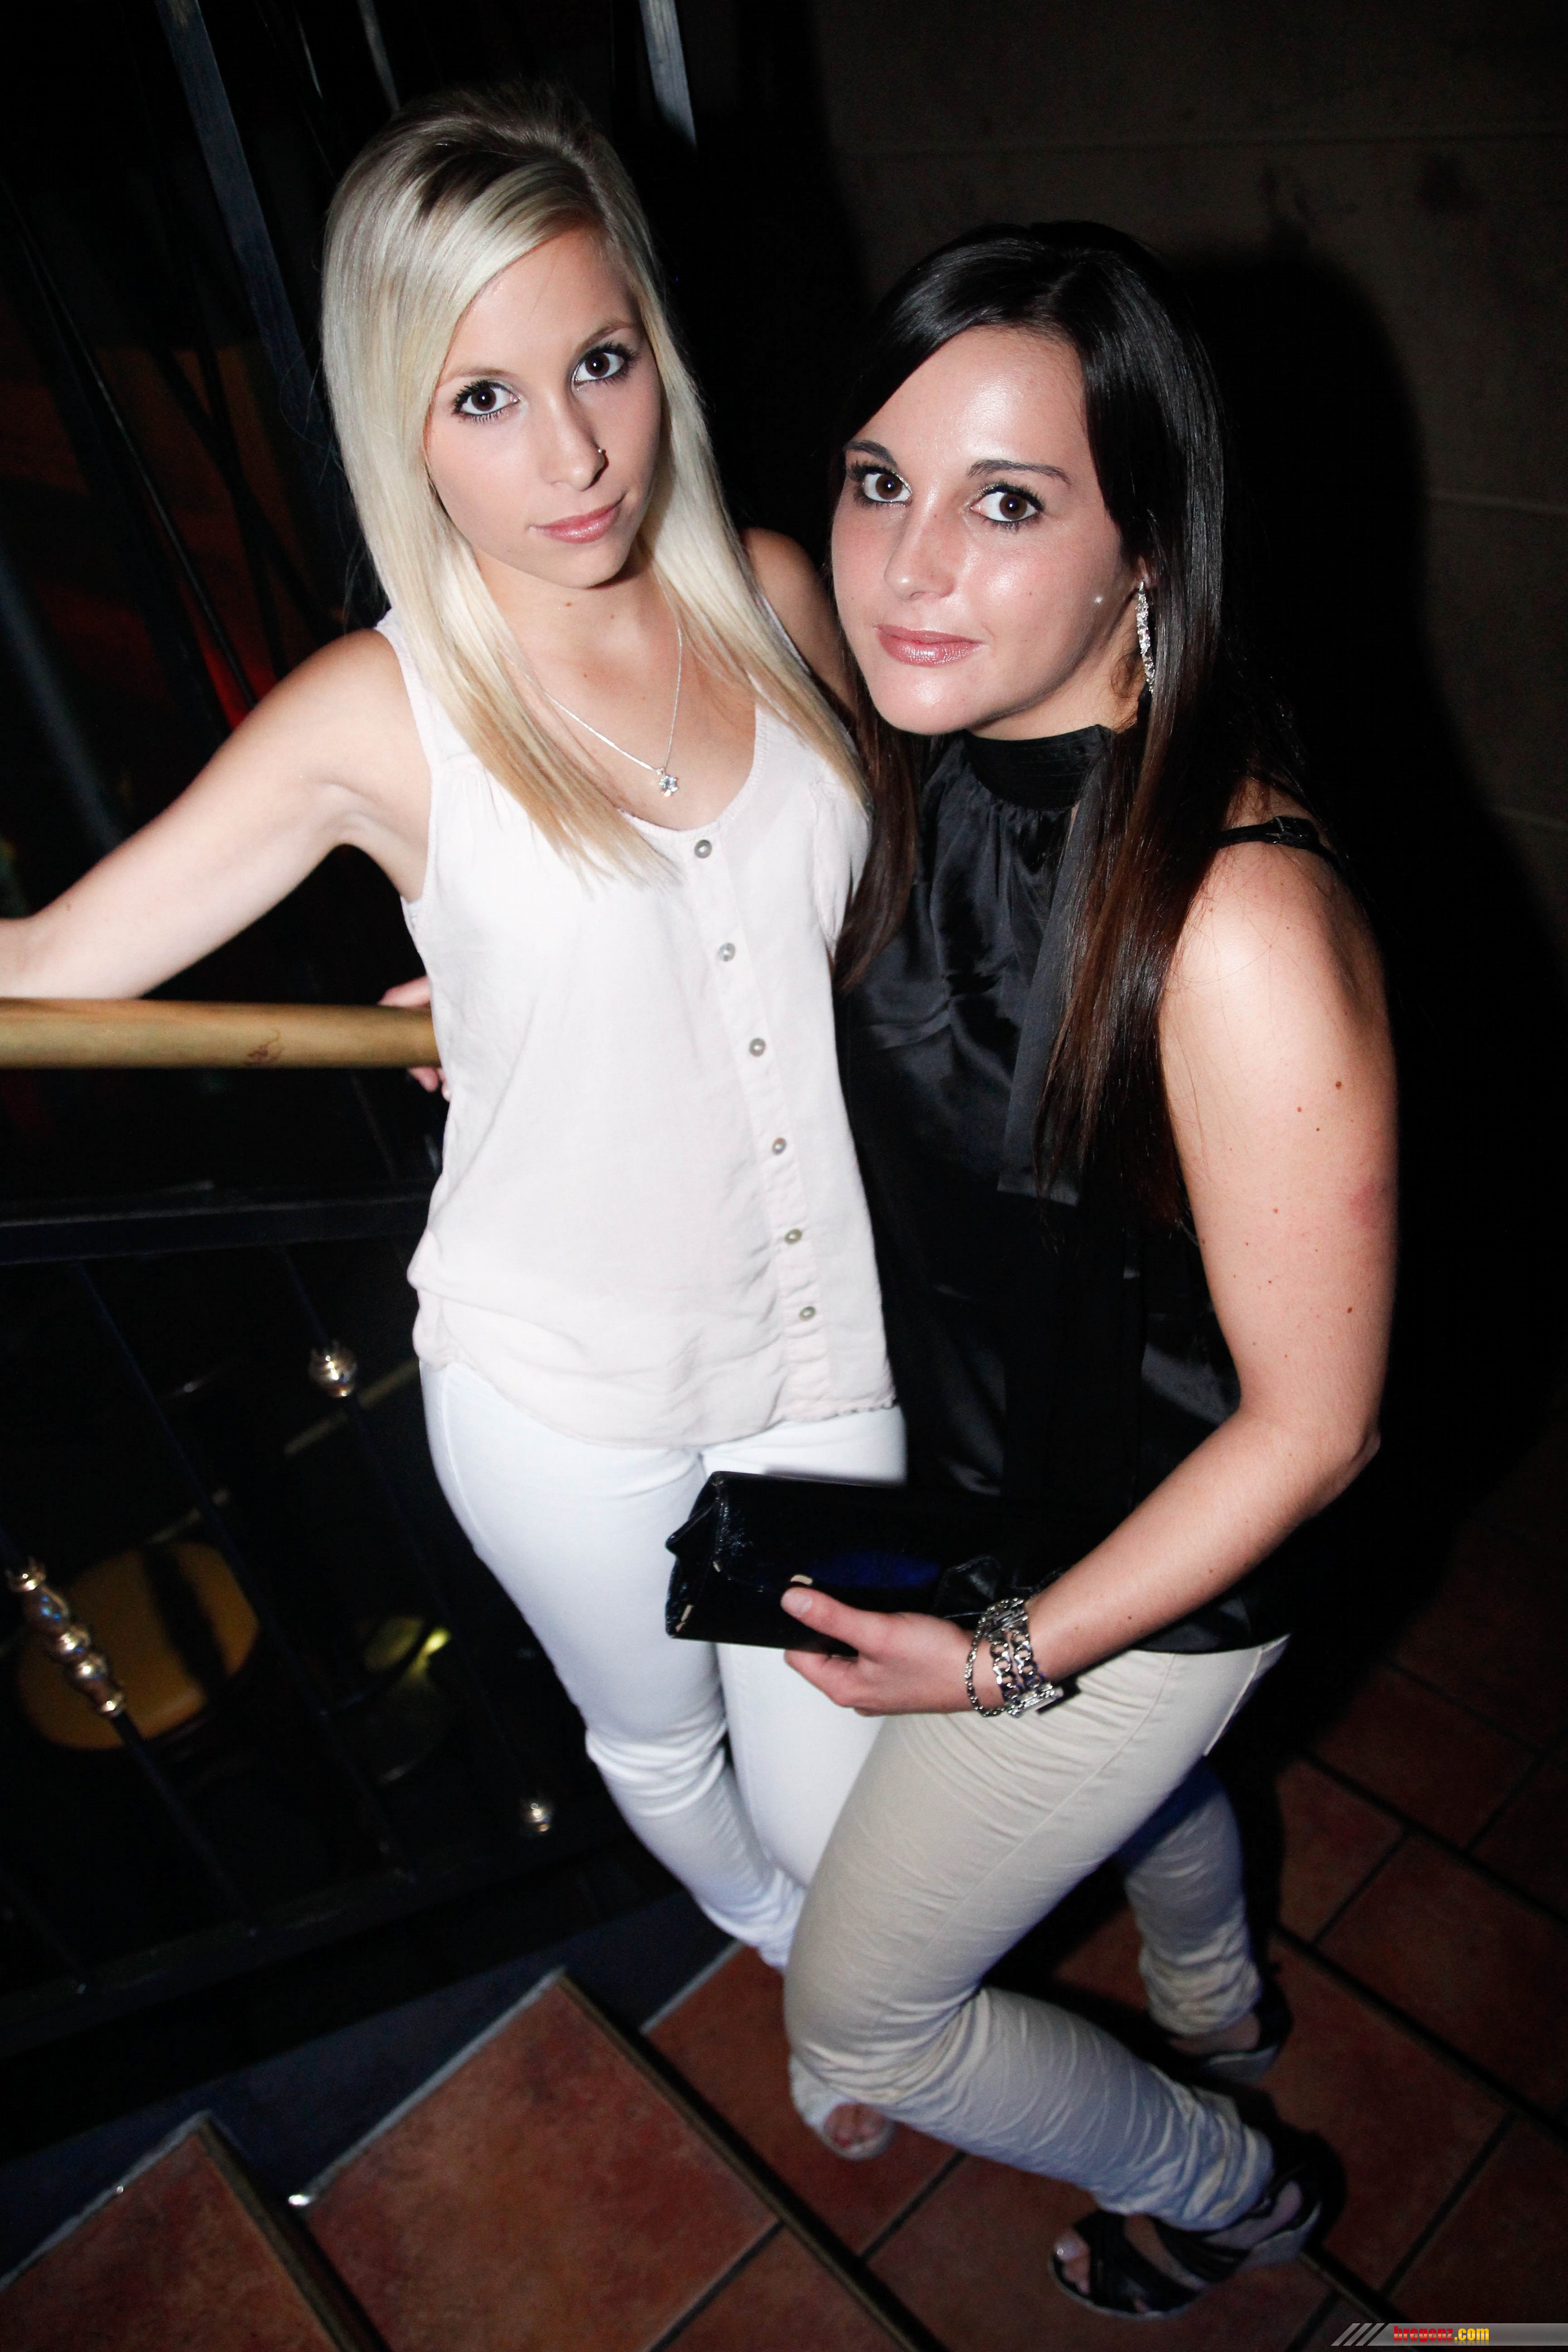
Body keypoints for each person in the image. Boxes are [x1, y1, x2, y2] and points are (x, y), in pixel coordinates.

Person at [0, 84, 900, 2155]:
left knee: (862, 1802)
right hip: (560, 1390)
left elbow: (873, 919)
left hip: (818, 1357)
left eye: (600, 361)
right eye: (482, 398)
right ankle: (785, 1958)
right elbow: (43, 967)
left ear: (656, 346)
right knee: (657, 1743)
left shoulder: (776, 591)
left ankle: (852, 1969)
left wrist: (570, 999)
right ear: (397, 424)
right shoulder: (375, 711)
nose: (571, 455)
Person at [776, 222, 1397, 2311]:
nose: (907, 565)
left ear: (1146, 548)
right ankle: (1213, 1992)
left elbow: (1313, 1431)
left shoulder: (1235, 920)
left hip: (1143, 1577)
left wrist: (1008, 1658)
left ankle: (1242, 2196)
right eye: (879, 480)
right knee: (1139, 1809)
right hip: (983, 1482)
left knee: (861, 2024)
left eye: (1007, 501)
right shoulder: (928, 760)